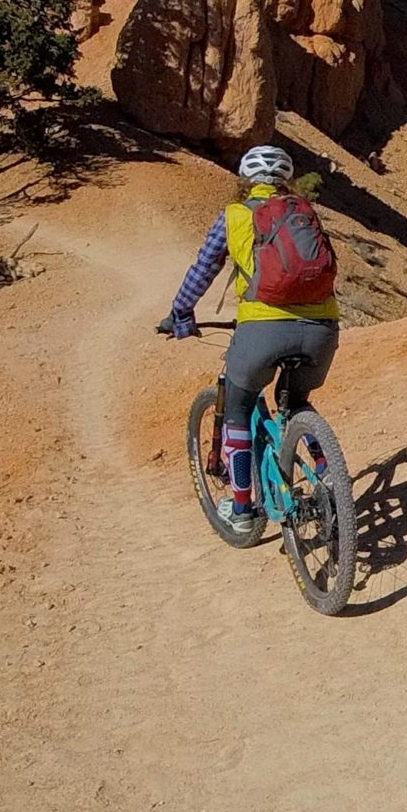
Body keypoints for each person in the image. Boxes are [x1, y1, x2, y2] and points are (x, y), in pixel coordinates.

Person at [157, 144, 341, 532]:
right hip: (322, 330)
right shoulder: (305, 213)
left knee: (239, 407)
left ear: (246, 180)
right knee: (297, 400)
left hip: (262, 328)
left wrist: (180, 314)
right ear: (285, 181)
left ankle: (242, 511)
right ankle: (330, 478)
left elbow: (203, 269)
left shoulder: (235, 216)